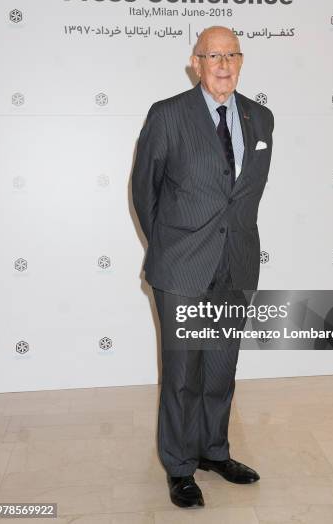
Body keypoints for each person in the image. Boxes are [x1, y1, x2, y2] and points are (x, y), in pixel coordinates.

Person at [132, 25, 274, 508]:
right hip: (182, 268)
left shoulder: (261, 118)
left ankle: (214, 450)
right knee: (181, 373)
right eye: (213, 55)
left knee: (220, 367)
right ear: (196, 63)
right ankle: (178, 465)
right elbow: (143, 191)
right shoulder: (168, 115)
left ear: (241, 60)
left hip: (235, 264)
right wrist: (169, 248)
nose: (223, 64)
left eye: (232, 54)